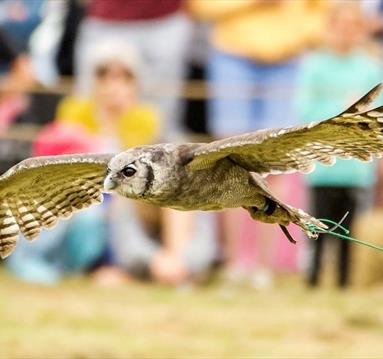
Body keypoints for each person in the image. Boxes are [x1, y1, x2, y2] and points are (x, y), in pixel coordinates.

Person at [189, 0, 327, 287]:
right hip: (232, 55)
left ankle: (266, 267)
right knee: (227, 163)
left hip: (288, 61)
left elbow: (323, 13)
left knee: (277, 167)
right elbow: (200, 7)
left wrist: (295, 34)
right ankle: (234, 263)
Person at [296, 1, 382, 288]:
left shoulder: (370, 68)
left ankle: (344, 282)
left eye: (353, 27)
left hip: (356, 170)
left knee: (348, 231)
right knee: (317, 228)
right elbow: (305, 108)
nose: (346, 34)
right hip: (323, 167)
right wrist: (340, 111)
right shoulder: (314, 66)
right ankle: (313, 280)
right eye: (340, 27)